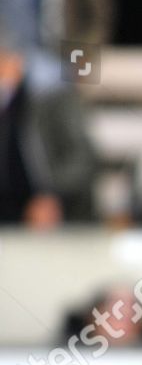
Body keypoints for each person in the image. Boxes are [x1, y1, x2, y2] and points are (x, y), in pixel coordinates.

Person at [0, 38, 96, 227]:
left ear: (15, 61)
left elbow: (84, 162)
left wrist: (51, 195)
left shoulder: (52, 100)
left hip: (53, 214)